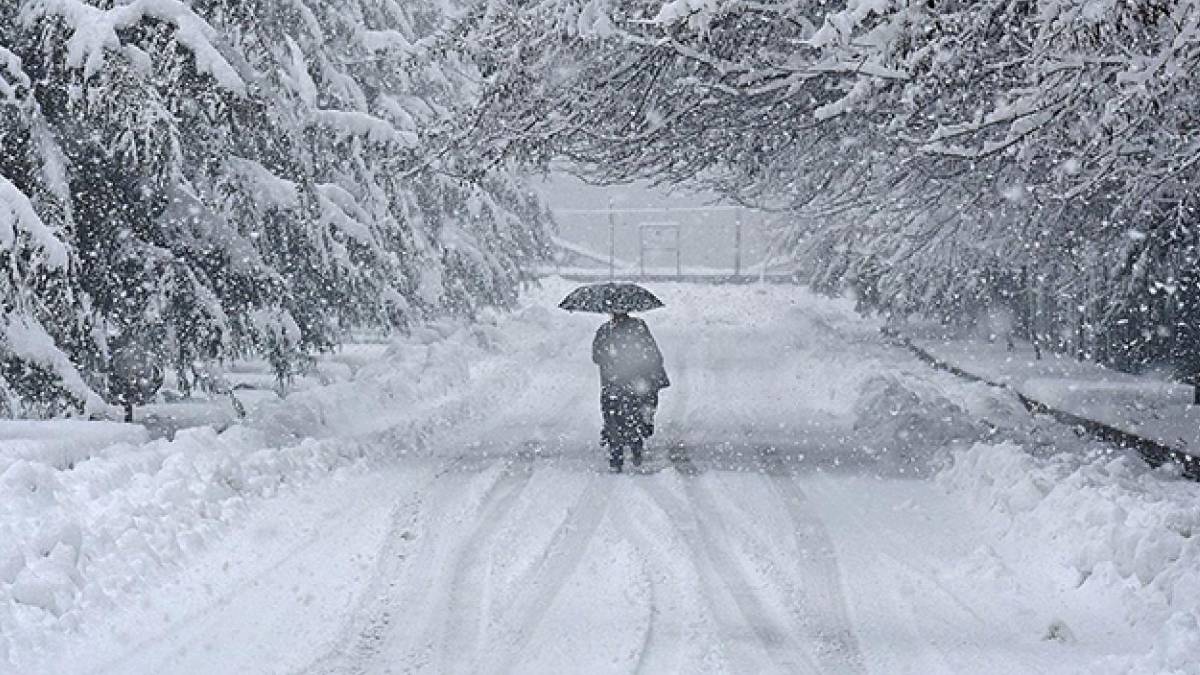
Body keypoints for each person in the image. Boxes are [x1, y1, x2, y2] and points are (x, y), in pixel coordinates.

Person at [592, 311, 669, 472]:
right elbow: (652, 353)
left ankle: (617, 456)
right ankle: (635, 447)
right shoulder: (638, 328)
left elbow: (596, 356)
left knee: (613, 417)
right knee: (634, 415)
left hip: (614, 383)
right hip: (634, 382)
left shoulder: (605, 331)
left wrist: (611, 358)